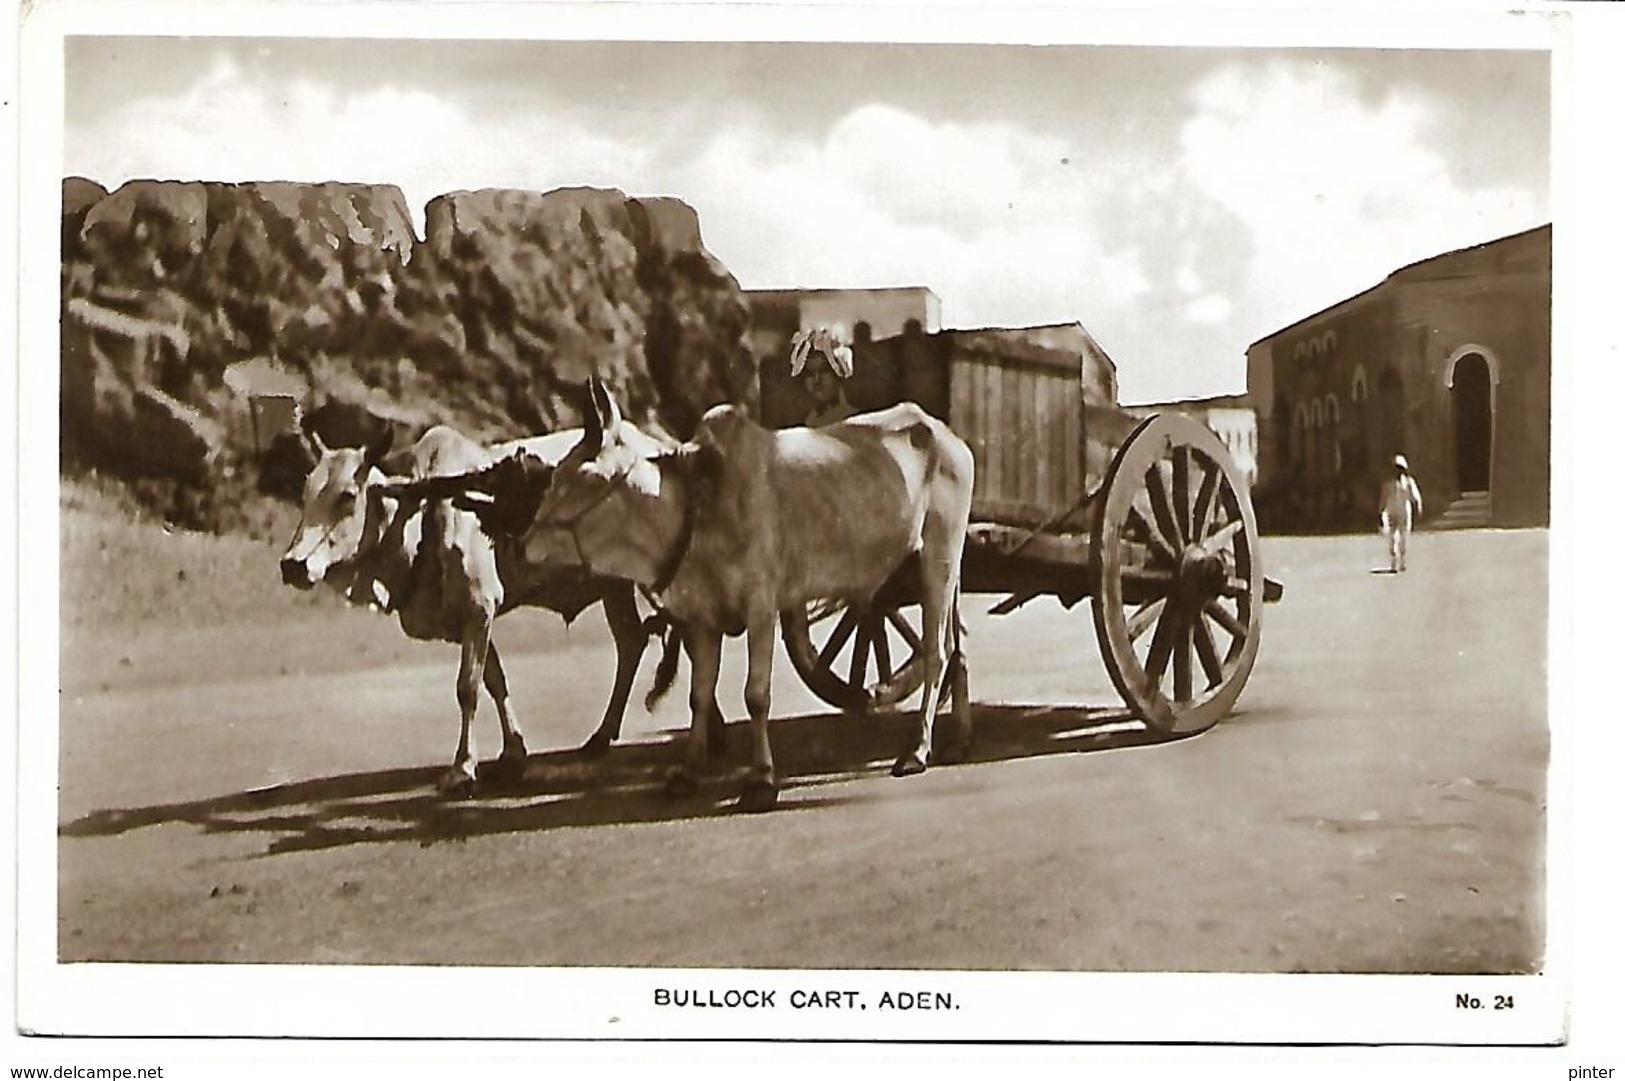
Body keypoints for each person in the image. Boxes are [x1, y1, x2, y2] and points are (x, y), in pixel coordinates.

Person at [789, 327, 858, 426]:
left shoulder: (852, 420)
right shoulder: (809, 423)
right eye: (810, 374)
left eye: (824, 371)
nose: (817, 380)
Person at [1379, 454, 1424, 573]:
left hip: (1405, 511)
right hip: (1392, 510)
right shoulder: (1388, 484)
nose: (1397, 471)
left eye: (1400, 468)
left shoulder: (1409, 482)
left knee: (1404, 536)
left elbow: (1415, 496)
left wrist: (1418, 506)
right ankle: (1394, 561)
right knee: (1392, 536)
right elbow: (1384, 498)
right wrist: (1382, 511)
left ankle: (1403, 561)